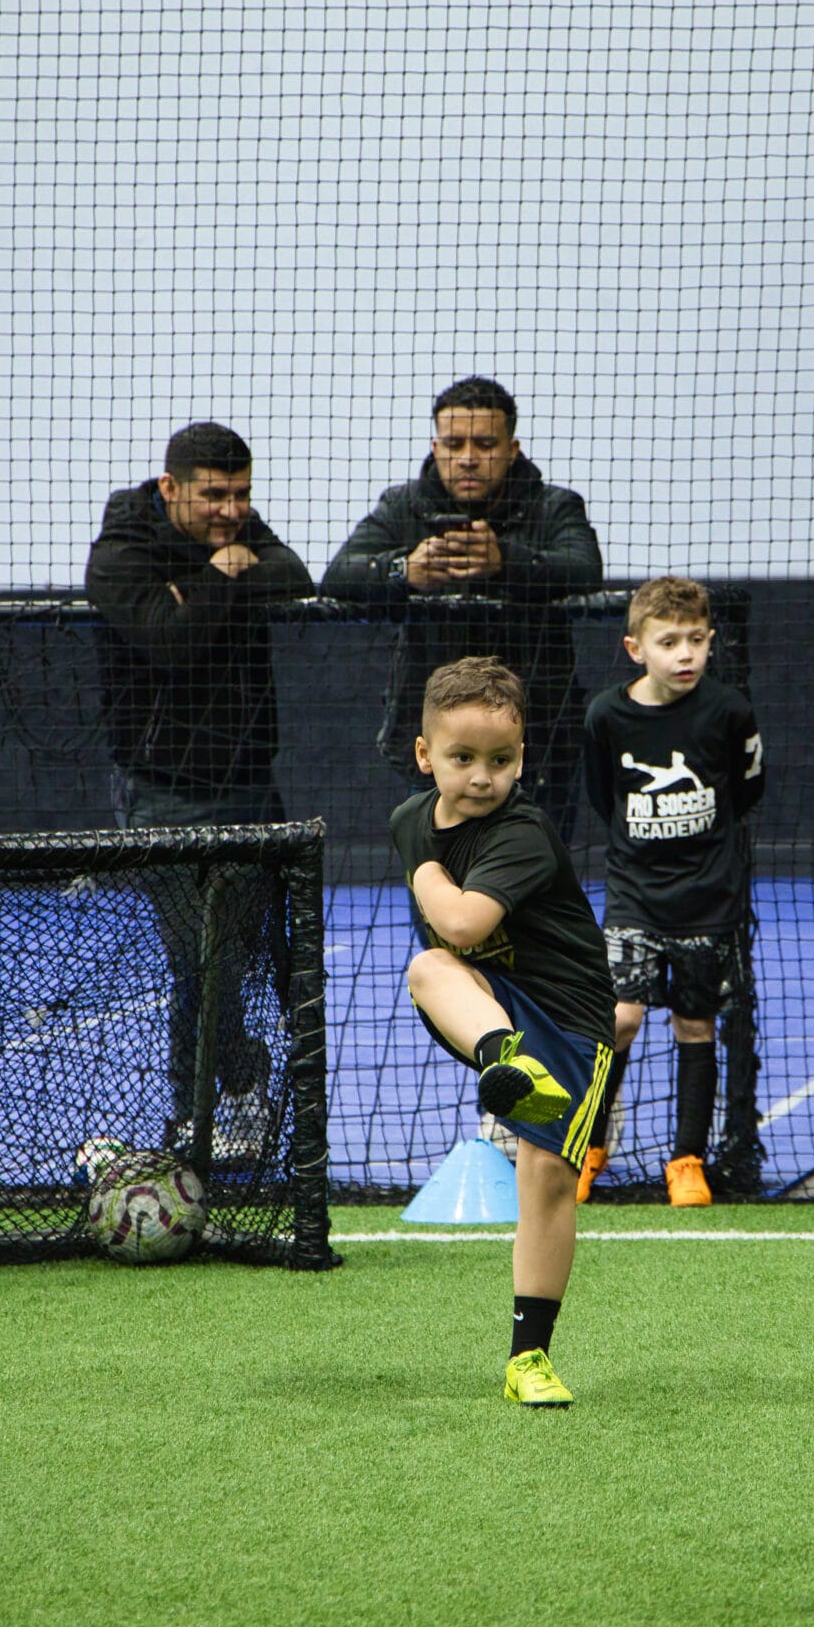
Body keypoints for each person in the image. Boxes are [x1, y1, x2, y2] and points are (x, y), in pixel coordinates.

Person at [390, 656, 617, 1408]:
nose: (481, 776)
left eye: (500, 760)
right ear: (425, 756)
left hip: (570, 1018)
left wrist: (424, 874)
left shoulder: (523, 832)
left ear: (521, 759)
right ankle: (502, 1063)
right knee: (427, 967)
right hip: (498, 1011)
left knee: (546, 1178)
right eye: (461, 758)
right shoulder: (410, 820)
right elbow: (447, 945)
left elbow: (460, 918)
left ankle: (528, 1359)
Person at [86, 420, 313, 1157]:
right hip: (163, 792)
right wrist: (223, 576)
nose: (229, 511)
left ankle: (236, 1092)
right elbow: (171, 643)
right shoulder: (121, 552)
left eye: (241, 496)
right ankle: (205, 1107)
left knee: (245, 958)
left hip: (248, 784)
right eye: (213, 495)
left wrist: (211, 583)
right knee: (200, 960)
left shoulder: (240, 528)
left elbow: (296, 576)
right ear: (169, 488)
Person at [323, 377, 603, 830]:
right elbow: (339, 575)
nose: (468, 457)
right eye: (454, 444)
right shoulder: (403, 508)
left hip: (537, 742)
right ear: (436, 447)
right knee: (437, 885)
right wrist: (403, 570)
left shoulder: (553, 507)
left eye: (484, 443)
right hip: (434, 742)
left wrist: (505, 562)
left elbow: (585, 569)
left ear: (512, 448)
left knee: (535, 890)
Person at [577, 576, 766, 1208]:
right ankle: (589, 1145)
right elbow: (604, 798)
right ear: (636, 648)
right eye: (668, 642)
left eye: (695, 641)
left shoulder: (729, 711)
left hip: (708, 900)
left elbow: (746, 792)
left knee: (695, 1024)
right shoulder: (607, 714)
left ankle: (686, 1159)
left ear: (711, 641)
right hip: (634, 893)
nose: (684, 654)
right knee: (620, 1019)